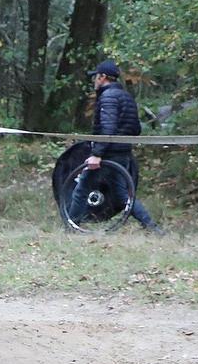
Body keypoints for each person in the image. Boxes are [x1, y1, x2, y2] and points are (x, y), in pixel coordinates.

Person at [67, 59, 164, 234]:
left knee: (82, 188)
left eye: (96, 77)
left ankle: (71, 227)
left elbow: (108, 129)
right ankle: (152, 227)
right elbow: (136, 128)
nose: (94, 81)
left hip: (108, 154)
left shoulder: (108, 97)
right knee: (122, 195)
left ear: (103, 77)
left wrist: (97, 154)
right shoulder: (126, 97)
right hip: (123, 152)